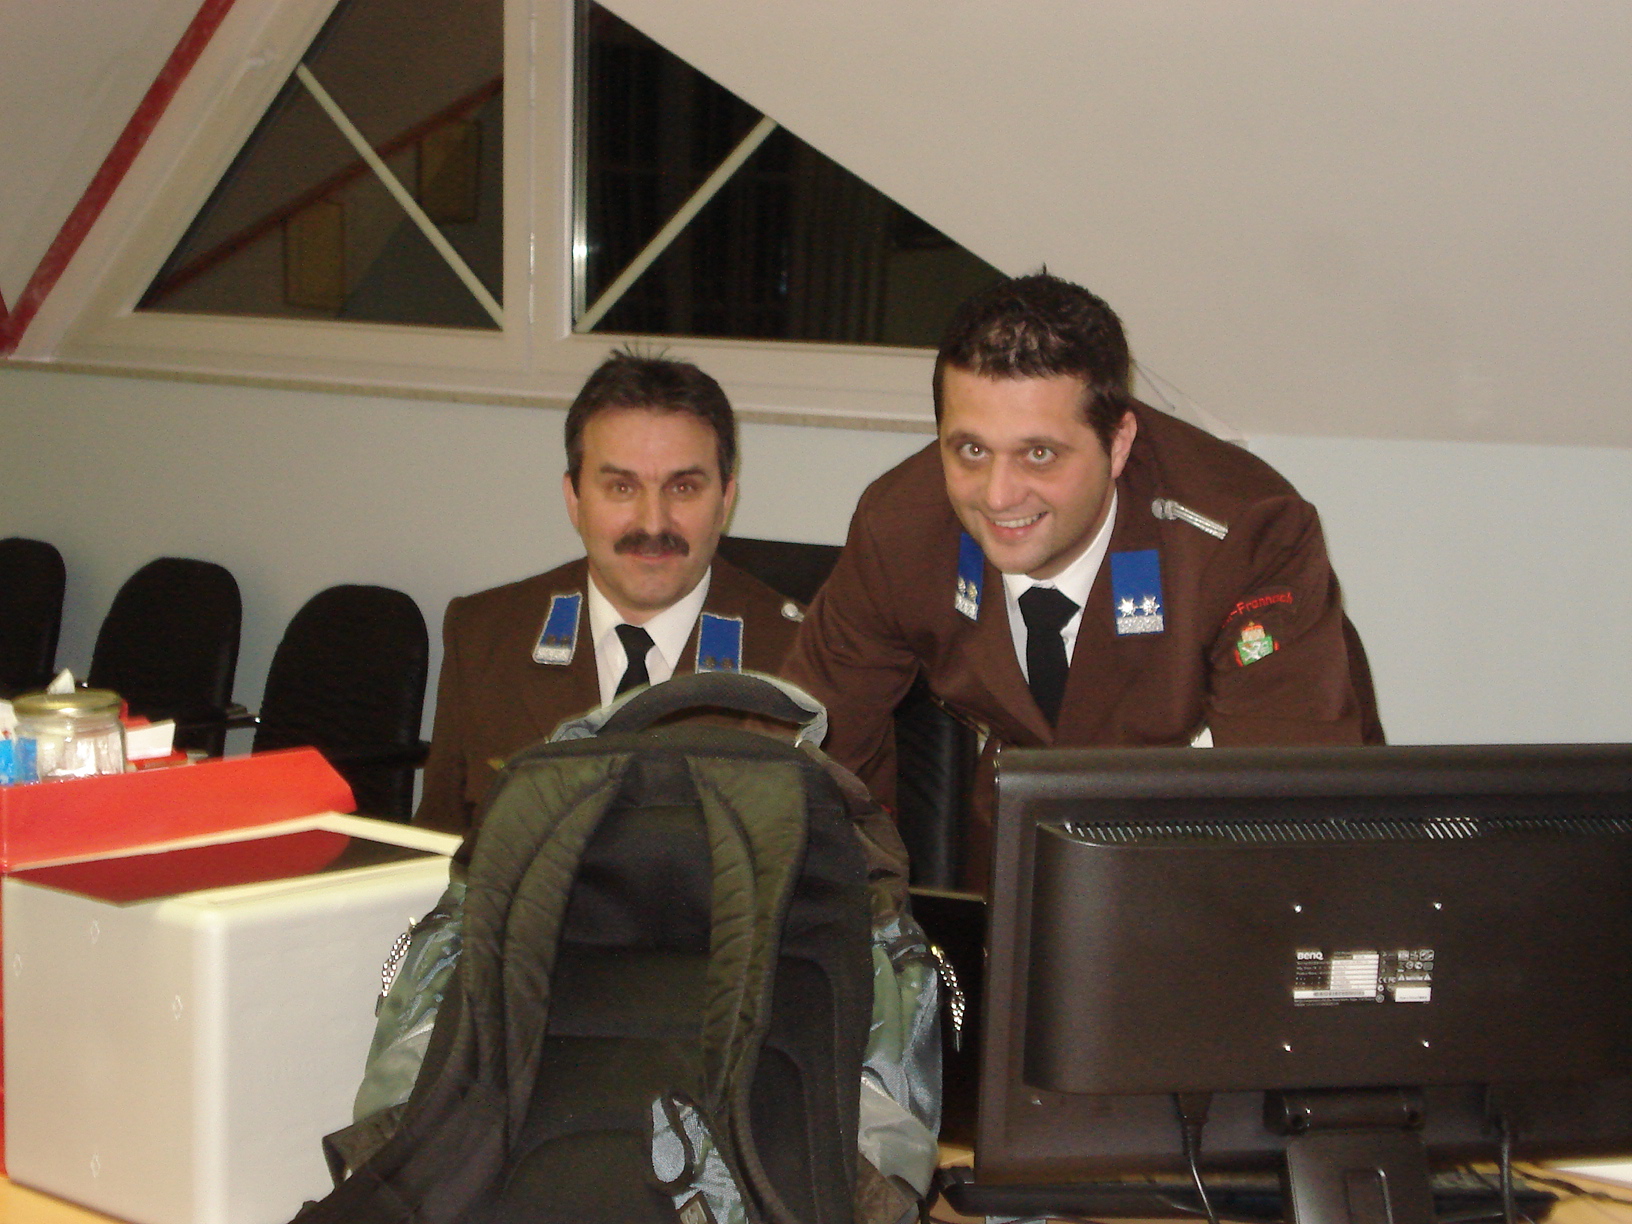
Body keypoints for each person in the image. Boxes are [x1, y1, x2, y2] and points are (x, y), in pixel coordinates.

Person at [785, 273, 1380, 890]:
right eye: (971, 451)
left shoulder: (1245, 535)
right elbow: (807, 750)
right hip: (1026, 840)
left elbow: (1290, 809)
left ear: (1118, 444)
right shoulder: (900, 529)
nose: (998, 496)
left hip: (1209, 843)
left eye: (1039, 454)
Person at [415, 350, 806, 836]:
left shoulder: (802, 660)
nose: (653, 523)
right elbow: (437, 845)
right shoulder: (486, 634)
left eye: (683, 488)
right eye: (621, 488)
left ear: (725, 500)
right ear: (574, 499)